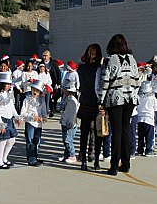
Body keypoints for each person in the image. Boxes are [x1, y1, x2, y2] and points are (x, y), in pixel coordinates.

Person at [98, 34, 139, 176]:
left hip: (115, 98)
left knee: (116, 131)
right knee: (126, 130)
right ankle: (126, 163)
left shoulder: (110, 60)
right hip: (130, 98)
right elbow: (137, 80)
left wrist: (101, 100)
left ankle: (114, 165)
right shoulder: (132, 59)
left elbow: (105, 81)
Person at [76, 43, 103, 171]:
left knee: (87, 133)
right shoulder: (98, 68)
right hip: (93, 102)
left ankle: (87, 160)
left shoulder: (81, 69)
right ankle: (93, 160)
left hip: (87, 101)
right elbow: (98, 87)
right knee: (94, 133)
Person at [0, 72, 20, 169]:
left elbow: (12, 107)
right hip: (2, 120)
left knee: (12, 140)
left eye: (10, 84)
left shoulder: (8, 94)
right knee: (3, 141)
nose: (9, 86)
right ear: (2, 84)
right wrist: (0, 123)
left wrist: (17, 116)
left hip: (9, 119)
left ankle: (5, 158)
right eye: (7, 84)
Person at [20, 80, 48, 167]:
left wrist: (43, 117)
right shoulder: (26, 100)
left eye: (37, 90)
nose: (35, 92)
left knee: (37, 141)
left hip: (38, 124)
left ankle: (35, 156)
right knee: (30, 141)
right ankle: (31, 159)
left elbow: (44, 112)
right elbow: (23, 114)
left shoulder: (42, 101)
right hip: (30, 123)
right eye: (33, 90)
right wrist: (32, 117)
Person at [59, 79, 79, 164]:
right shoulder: (66, 98)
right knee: (65, 140)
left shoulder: (73, 100)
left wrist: (70, 123)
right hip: (64, 121)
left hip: (70, 123)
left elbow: (73, 113)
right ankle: (66, 154)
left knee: (68, 140)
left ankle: (72, 155)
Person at [136, 81, 156, 157]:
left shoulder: (139, 96)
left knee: (141, 136)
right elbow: (156, 107)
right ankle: (148, 150)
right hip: (149, 118)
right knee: (149, 136)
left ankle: (140, 149)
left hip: (140, 118)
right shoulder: (152, 97)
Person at [42, 50, 62, 117]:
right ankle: (46, 110)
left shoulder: (53, 63)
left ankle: (52, 110)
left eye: (46, 56)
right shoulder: (41, 63)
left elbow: (58, 73)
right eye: (44, 56)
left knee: (53, 97)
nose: (45, 57)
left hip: (53, 82)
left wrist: (58, 83)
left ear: (49, 56)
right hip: (44, 82)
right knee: (46, 98)